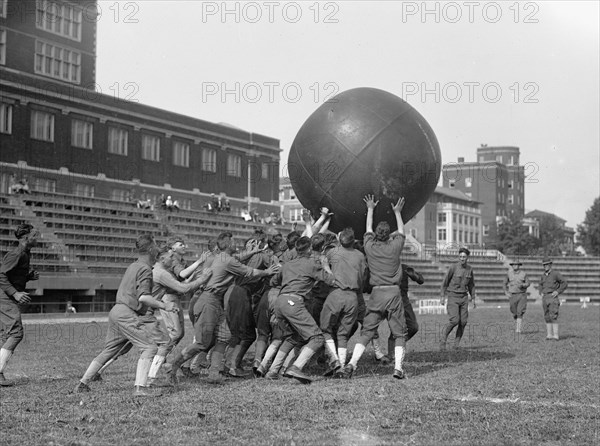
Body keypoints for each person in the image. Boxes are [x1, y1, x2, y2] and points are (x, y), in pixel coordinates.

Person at [167, 232, 279, 385]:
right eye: (233, 242)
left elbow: (239, 258)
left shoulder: (223, 257)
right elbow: (249, 272)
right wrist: (267, 272)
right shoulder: (227, 260)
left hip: (215, 301)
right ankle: (174, 366)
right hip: (208, 301)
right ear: (228, 245)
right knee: (202, 342)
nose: (236, 245)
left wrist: (252, 251)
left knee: (224, 337)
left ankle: (214, 374)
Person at [74, 235, 178, 397]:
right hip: (127, 313)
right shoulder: (145, 269)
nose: (158, 248)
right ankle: (140, 388)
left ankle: (82, 384)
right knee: (149, 347)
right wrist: (166, 305)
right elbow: (143, 297)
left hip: (116, 311)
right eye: (156, 245)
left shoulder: (133, 265)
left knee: (110, 350)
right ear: (151, 250)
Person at [340, 195, 408, 380]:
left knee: (367, 331)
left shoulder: (369, 247)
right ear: (390, 235)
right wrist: (397, 212)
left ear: (376, 234)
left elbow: (368, 228)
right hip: (393, 292)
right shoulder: (395, 246)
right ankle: (398, 368)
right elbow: (402, 231)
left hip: (377, 293)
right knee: (399, 332)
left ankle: (352, 364)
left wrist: (370, 208)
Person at [263, 236, 335, 384]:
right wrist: (326, 266)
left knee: (293, 337)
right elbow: (331, 281)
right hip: (293, 302)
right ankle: (296, 367)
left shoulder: (288, 264)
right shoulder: (311, 264)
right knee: (317, 338)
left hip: (280, 302)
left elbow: (273, 281)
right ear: (309, 249)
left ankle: (273, 370)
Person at [146, 246, 212, 384]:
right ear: (162, 258)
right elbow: (183, 287)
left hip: (141, 312)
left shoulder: (161, 272)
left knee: (119, 347)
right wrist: (202, 278)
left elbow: (180, 287)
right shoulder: (161, 273)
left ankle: (90, 376)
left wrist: (194, 277)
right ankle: (151, 378)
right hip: (142, 314)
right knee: (166, 341)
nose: (172, 259)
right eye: (170, 256)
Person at [320, 227, 367, 376]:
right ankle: (341, 364)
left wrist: (329, 272)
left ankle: (334, 362)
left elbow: (322, 262)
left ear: (340, 240)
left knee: (325, 329)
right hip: (353, 296)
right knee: (343, 334)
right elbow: (363, 277)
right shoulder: (360, 256)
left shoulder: (333, 252)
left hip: (336, 293)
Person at [0, 224, 40, 386]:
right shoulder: (16, 254)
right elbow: (1, 275)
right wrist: (15, 293)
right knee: (16, 333)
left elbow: (13, 274)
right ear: (25, 238)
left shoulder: (25, 253)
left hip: (5, 296)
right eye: (34, 235)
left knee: (5, 334)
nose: (37, 238)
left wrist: (28, 276)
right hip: (4, 297)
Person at [439, 247, 476, 350]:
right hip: (453, 296)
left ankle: (456, 344)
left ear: (467, 257)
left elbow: (471, 284)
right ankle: (443, 339)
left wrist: (473, 298)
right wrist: (442, 296)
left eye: (464, 257)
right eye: (460, 257)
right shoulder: (453, 267)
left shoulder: (470, 269)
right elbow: (445, 282)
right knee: (454, 321)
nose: (462, 259)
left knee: (463, 322)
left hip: (464, 297)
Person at [539, 257, 568, 340]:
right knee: (546, 316)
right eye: (544, 265)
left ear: (550, 265)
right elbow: (540, 284)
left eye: (547, 264)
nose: (545, 266)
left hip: (552, 297)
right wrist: (540, 291)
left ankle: (555, 335)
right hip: (545, 297)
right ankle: (549, 335)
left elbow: (564, 283)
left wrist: (558, 291)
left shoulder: (555, 274)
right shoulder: (543, 275)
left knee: (553, 316)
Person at [503, 259, 530, 333]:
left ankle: (518, 329)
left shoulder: (524, 274)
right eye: (513, 265)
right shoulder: (509, 274)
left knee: (520, 311)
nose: (515, 266)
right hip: (512, 295)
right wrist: (506, 292)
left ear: (519, 266)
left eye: (516, 265)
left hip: (522, 295)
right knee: (513, 311)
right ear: (512, 266)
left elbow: (528, 283)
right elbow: (504, 283)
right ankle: (515, 316)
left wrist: (523, 285)